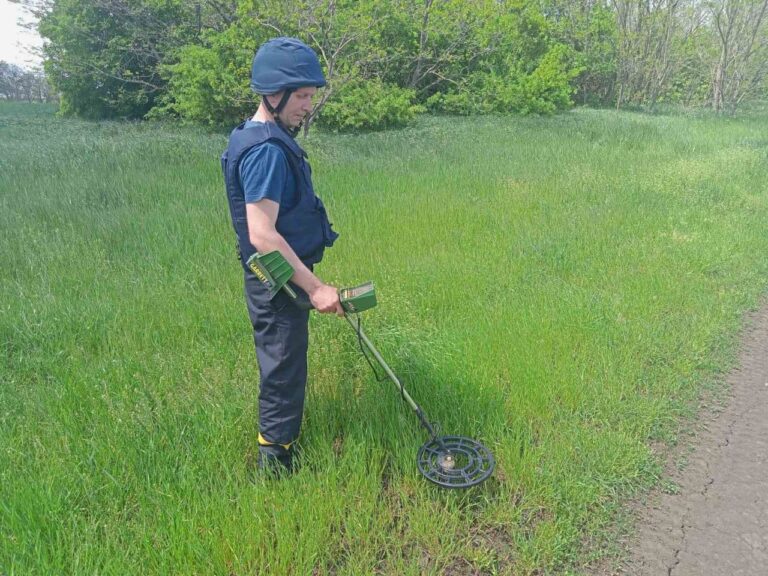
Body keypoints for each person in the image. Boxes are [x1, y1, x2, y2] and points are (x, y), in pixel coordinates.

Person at [221, 37, 343, 473]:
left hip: (280, 277)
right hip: (277, 281)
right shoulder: (267, 150)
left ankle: (281, 444)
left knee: (286, 361)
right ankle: (275, 462)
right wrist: (316, 288)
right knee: (282, 367)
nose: (309, 105)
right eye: (304, 96)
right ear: (274, 94)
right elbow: (262, 235)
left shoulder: (253, 135)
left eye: (311, 95)